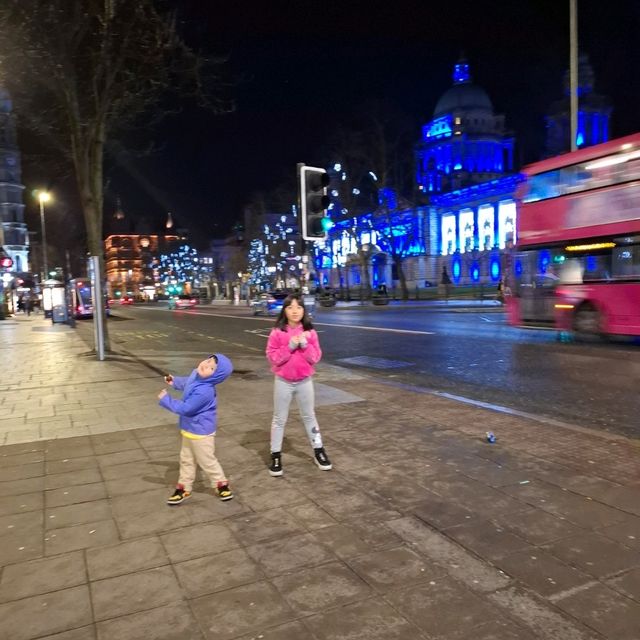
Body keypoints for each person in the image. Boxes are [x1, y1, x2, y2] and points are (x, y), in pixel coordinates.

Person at [266, 293, 331, 477]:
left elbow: (315, 358)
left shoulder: (310, 333)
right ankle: (275, 454)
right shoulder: (277, 332)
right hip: (283, 382)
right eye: (290, 307)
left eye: (299, 307)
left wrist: (304, 345)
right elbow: (272, 358)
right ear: (284, 310)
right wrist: (289, 347)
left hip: (304, 381)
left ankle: (319, 450)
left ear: (304, 310)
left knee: (310, 416)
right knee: (279, 419)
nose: (295, 311)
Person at [158, 353, 234, 505]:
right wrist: (174, 381)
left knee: (207, 461)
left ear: (216, 376)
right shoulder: (197, 374)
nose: (205, 365)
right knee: (186, 460)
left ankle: (221, 484)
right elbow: (188, 383)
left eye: (211, 367)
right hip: (189, 428)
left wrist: (166, 400)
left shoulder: (205, 391)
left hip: (201, 433)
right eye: (208, 360)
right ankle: (184, 487)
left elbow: (187, 409)